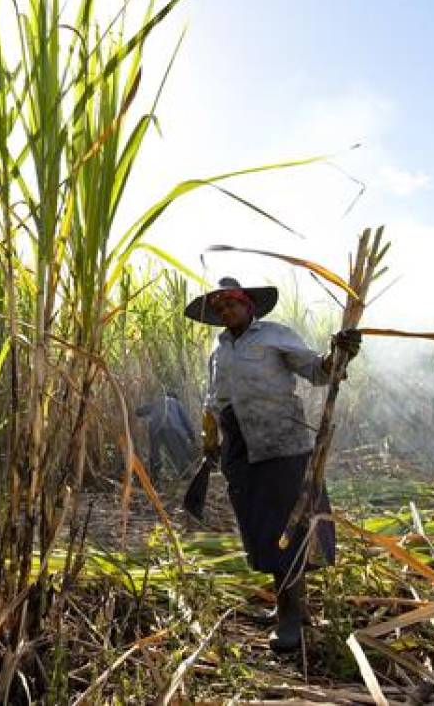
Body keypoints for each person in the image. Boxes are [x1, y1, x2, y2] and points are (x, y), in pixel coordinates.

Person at [185, 277, 361, 654]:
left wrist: (340, 353)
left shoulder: (273, 336)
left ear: (249, 305)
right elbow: (215, 400)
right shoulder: (219, 351)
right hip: (240, 450)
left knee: (289, 526)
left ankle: (291, 617)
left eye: (232, 303)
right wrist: (211, 438)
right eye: (220, 308)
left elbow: (319, 372)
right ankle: (291, 604)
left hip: (281, 441)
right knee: (259, 528)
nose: (226, 311)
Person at [135, 391, 198, 484]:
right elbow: (186, 421)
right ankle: (185, 476)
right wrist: (192, 437)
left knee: (155, 454)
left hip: (154, 428)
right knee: (178, 452)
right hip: (171, 427)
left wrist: (136, 411)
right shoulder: (176, 403)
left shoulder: (157, 402)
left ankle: (154, 478)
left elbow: (140, 411)